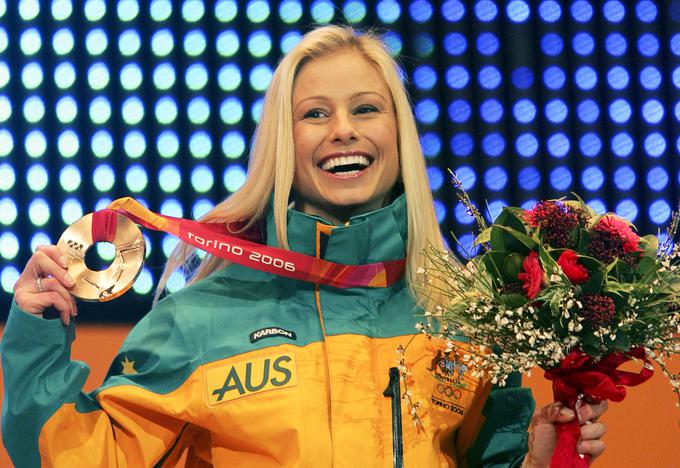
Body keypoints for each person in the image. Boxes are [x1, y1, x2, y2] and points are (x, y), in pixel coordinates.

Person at [2, 26, 606, 467]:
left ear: (398, 135)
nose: (343, 128)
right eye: (315, 113)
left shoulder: (462, 318)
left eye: (366, 108)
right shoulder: (199, 320)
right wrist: (34, 337)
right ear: (283, 145)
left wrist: (533, 460)